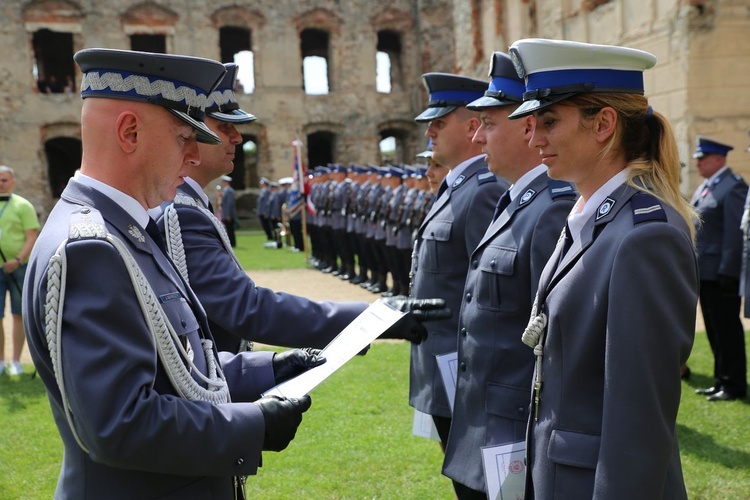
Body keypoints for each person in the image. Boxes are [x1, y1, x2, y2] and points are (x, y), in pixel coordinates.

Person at [22, 48, 326, 499]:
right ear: (129, 132)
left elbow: (175, 364)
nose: (192, 155)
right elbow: (120, 422)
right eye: (185, 136)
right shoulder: (92, 246)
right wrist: (254, 424)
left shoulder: (125, 230)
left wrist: (268, 368)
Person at [507, 38, 699, 498]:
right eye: (532, 124)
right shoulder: (590, 216)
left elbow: (638, 422)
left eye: (549, 121)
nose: (534, 138)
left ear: (604, 124)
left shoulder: (643, 236)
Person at [155, 62, 450, 355]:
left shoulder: (187, 205)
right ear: (190, 132)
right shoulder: (182, 213)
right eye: (224, 126)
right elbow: (246, 309)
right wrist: (372, 320)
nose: (237, 137)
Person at [440, 52, 577, 498]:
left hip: (514, 428)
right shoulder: (515, 200)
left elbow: (557, 343)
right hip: (484, 420)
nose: (477, 138)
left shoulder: (551, 206)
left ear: (525, 126)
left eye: (489, 125)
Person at [409, 72, 509, 452]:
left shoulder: (484, 192)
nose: (429, 132)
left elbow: (489, 292)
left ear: (471, 127)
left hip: (464, 371)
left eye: (439, 122)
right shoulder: (458, 186)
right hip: (441, 367)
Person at [691, 136, 747, 401]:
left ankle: (734, 384)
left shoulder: (732, 187)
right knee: (714, 329)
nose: (698, 163)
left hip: (721, 274)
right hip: (705, 272)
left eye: (702, 158)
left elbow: (733, 235)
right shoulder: (706, 187)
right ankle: (720, 380)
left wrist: (728, 271)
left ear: (717, 159)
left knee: (727, 329)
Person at [0, 165, 39, 376]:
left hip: (18, 267)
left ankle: (15, 361)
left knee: (18, 314)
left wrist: (18, 259)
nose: (0, 183)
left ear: (13, 182)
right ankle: (0, 361)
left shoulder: (22, 206)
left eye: (4, 179)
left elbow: (31, 236)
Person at [220, 175, 237, 247]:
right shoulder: (226, 190)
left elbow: (230, 203)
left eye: (223, 182)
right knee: (228, 229)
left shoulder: (229, 191)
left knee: (230, 229)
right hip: (225, 213)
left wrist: (228, 215)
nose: (222, 183)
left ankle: (232, 243)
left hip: (228, 214)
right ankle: (230, 242)